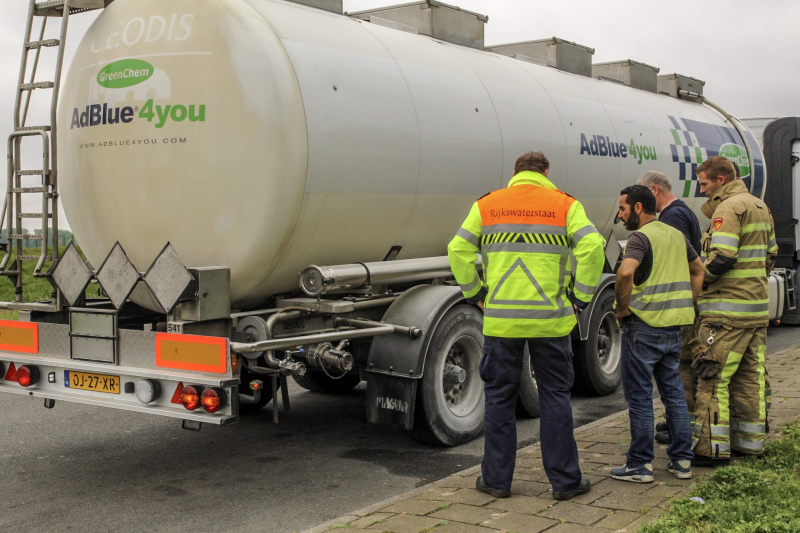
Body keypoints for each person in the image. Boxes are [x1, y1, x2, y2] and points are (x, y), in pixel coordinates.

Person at [447, 151, 605, 500]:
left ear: (515, 173)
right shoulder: (565, 204)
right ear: (546, 172)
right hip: (551, 321)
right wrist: (580, 296)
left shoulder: (489, 204)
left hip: (502, 323)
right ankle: (565, 482)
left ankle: (496, 481)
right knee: (554, 398)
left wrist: (475, 292)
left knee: (500, 400)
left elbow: (457, 248)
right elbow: (593, 247)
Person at [612, 185, 704, 482]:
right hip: (673, 328)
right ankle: (682, 462)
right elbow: (699, 269)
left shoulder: (640, 237)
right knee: (674, 394)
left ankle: (640, 465)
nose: (620, 214)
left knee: (639, 398)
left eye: (623, 208)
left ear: (638, 208)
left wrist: (622, 308)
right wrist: (686, 302)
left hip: (643, 327)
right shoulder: (676, 235)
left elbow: (626, 272)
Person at [692, 156, 777, 466]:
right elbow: (770, 257)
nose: (702, 190)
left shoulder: (727, 209)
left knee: (712, 376)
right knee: (750, 379)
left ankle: (710, 451)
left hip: (726, 313)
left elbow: (723, 257)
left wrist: (699, 283)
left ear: (721, 180)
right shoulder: (760, 206)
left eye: (704, 183)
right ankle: (749, 445)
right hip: (755, 309)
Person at [637, 171, 702, 444]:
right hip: (679, 308)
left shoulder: (672, 218)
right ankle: (682, 436)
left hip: (669, 313)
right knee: (676, 377)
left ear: (654, 190)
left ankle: (680, 432)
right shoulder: (682, 212)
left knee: (677, 377)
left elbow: (682, 263)